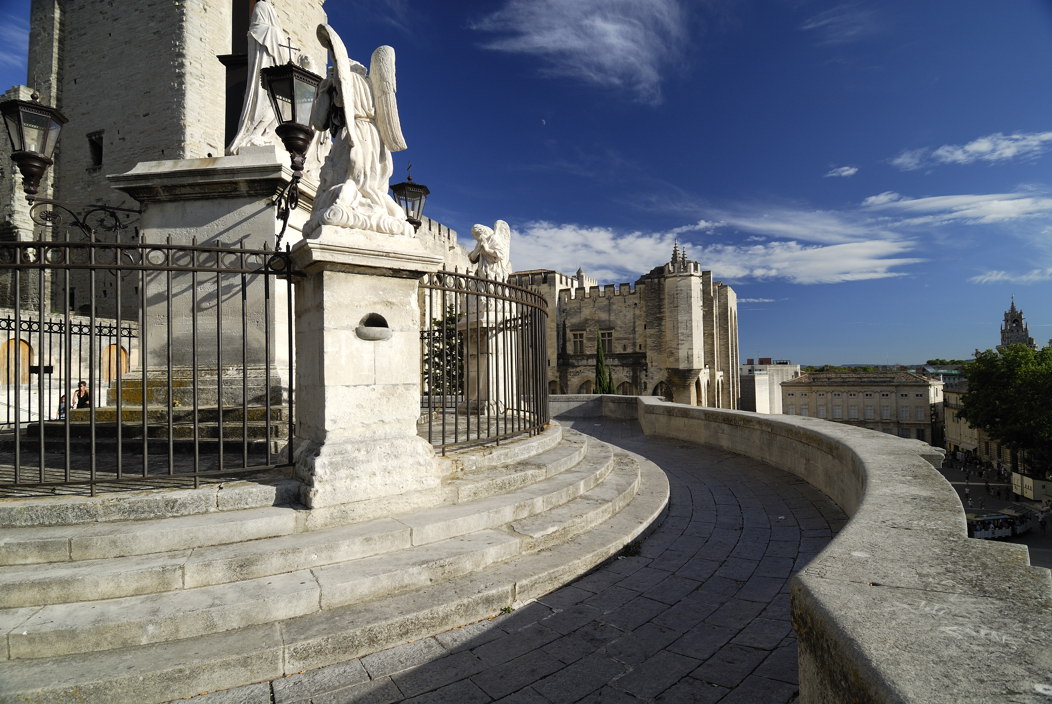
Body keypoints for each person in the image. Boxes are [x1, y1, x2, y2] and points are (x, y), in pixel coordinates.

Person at [305, 24, 413, 238]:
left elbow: (319, 122)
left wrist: (325, 90)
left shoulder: (347, 81)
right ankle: (392, 213)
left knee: (351, 181)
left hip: (354, 133)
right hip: (374, 137)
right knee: (369, 187)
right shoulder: (370, 84)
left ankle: (345, 205)